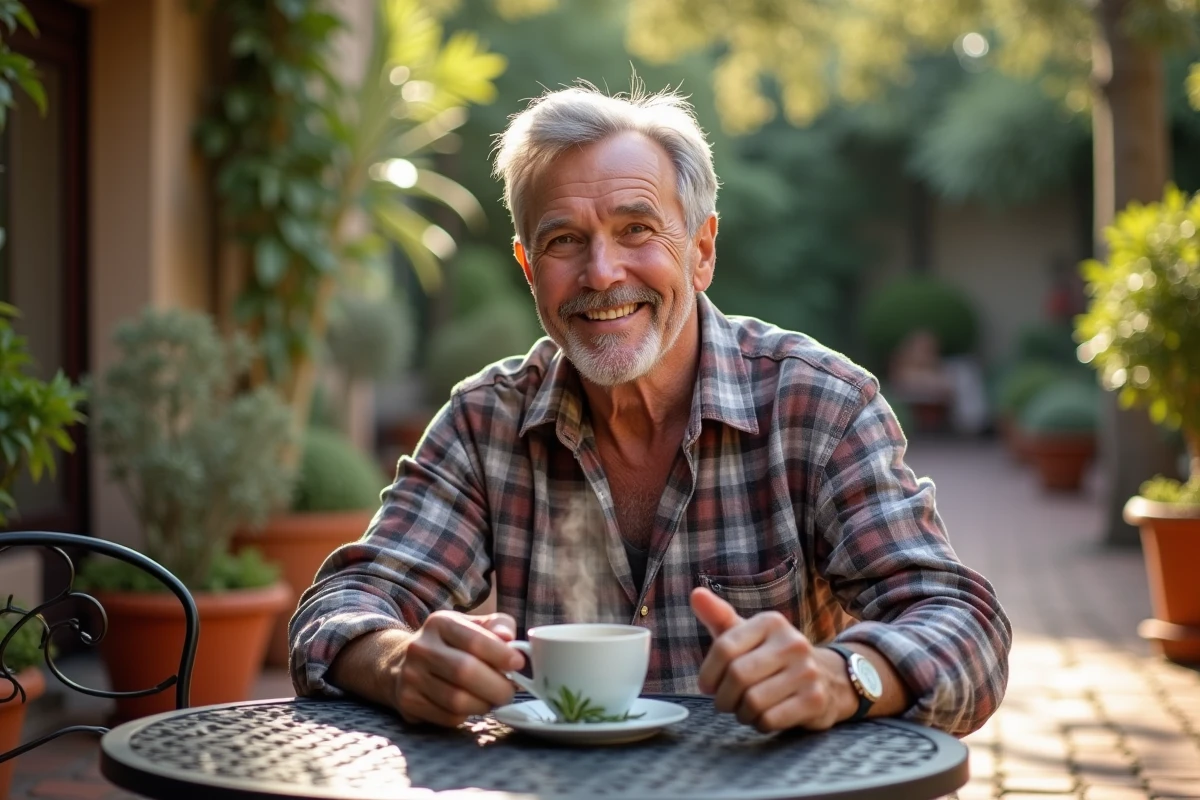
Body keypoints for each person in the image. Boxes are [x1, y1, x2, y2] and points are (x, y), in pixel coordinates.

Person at [290, 83, 1011, 736]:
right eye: (565, 240)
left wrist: (844, 676)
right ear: (528, 269)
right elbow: (339, 607)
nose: (602, 273)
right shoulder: (486, 423)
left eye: (637, 229)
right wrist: (399, 662)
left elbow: (966, 628)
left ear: (701, 250)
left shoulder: (819, 406)